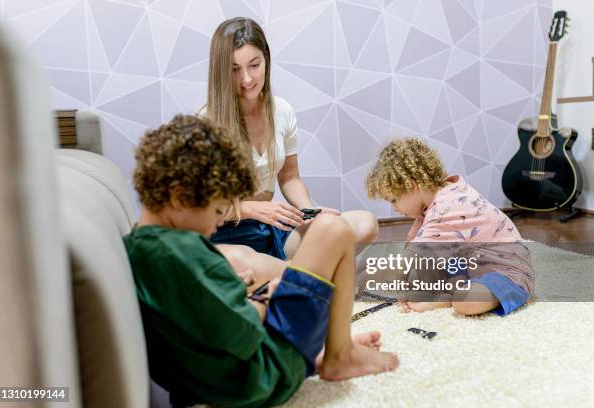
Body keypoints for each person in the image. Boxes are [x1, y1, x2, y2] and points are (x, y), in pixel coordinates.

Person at [124, 114, 399, 407]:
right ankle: (340, 355)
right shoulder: (181, 254)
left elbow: (210, 319)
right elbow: (245, 329)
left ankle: (324, 350)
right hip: (260, 380)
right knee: (334, 230)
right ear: (179, 197)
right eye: (218, 211)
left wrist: (244, 292)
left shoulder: (140, 244)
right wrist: (267, 297)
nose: (217, 226)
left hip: (218, 381)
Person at [201, 17, 378, 264]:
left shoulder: (281, 110)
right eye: (234, 69)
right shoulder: (206, 124)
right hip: (226, 236)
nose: (247, 79)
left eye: (254, 65)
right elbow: (202, 207)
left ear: (266, 59)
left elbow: (289, 177)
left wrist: (309, 212)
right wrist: (253, 208)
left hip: (271, 226)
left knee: (364, 224)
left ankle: (284, 272)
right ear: (221, 70)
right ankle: (292, 271)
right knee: (244, 262)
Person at [365, 138, 535, 316]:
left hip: (507, 274)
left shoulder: (447, 206)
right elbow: (412, 249)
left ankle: (448, 298)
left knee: (465, 301)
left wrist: (395, 282)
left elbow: (404, 263)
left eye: (394, 200)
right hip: (472, 266)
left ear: (413, 186)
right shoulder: (433, 204)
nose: (395, 208)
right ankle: (446, 292)